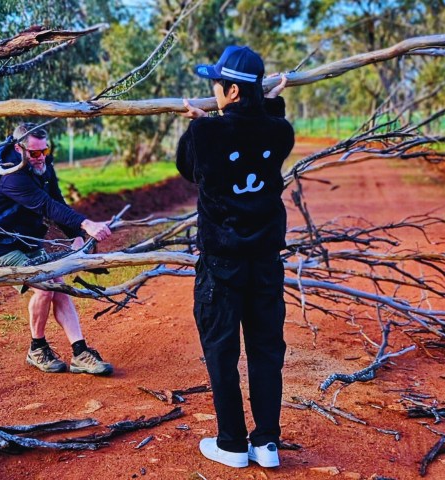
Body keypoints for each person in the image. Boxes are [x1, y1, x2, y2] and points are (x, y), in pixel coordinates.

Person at [176, 46, 294, 468]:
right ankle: (266, 444)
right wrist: (271, 102)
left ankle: (231, 444)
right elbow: (269, 128)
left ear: (229, 91)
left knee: (221, 352)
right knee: (265, 351)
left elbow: (188, 169)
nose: (212, 90)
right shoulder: (281, 132)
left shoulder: (205, 135)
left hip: (221, 265)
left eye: (216, 85)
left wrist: (196, 127)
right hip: (265, 264)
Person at [0, 123, 114, 376]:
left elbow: (57, 201)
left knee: (57, 284)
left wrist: (76, 236)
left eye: (45, 151)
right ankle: (37, 349)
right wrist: (87, 223)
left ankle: (80, 353)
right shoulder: (9, 175)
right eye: (35, 153)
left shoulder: (42, 167)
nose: (41, 158)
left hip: (26, 240)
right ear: (19, 148)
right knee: (44, 287)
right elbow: (45, 206)